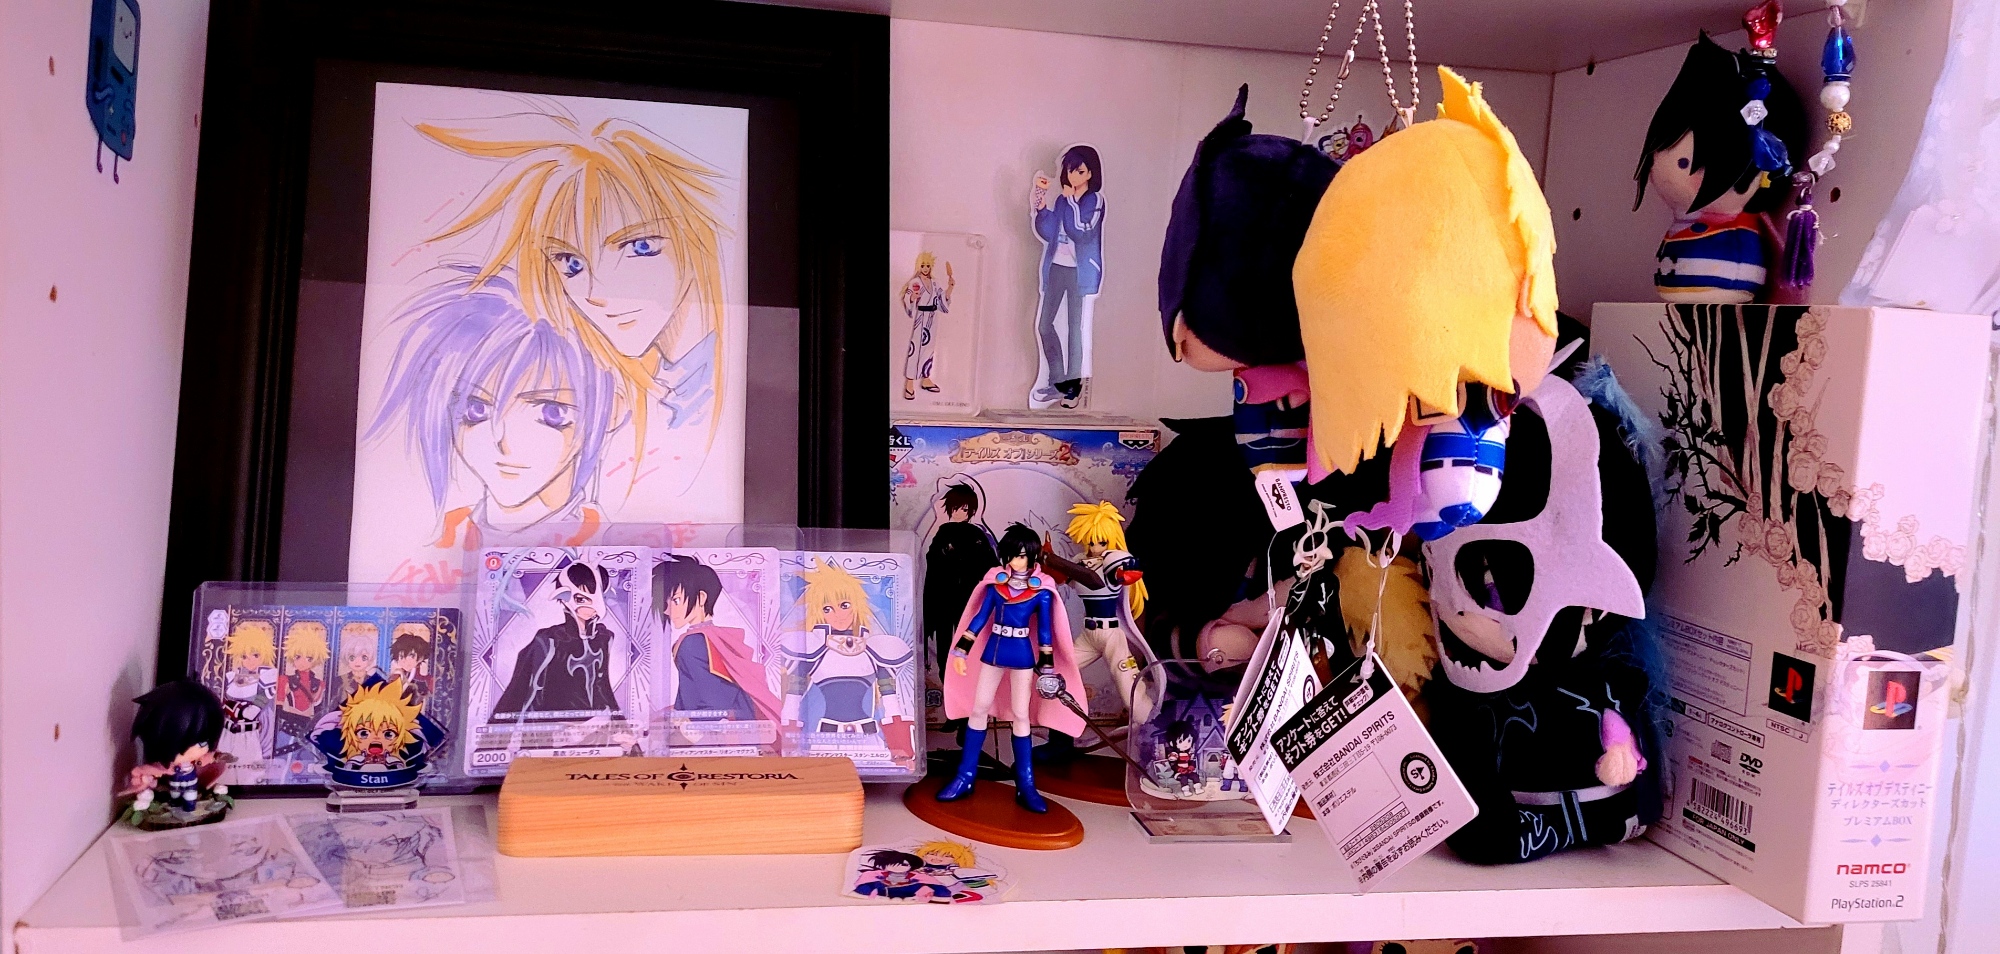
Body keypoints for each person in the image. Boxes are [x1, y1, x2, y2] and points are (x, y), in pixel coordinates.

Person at [415, 105, 732, 450]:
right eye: (572, 263)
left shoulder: (719, 385)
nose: (597, 293)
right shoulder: (609, 386)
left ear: (693, 236)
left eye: (640, 247)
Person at [365, 269, 618, 550]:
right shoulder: (446, 537)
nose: (503, 442)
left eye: (551, 413)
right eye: (476, 410)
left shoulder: (610, 539)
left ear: (609, 413)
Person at [937, 524, 1086, 812]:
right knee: (979, 708)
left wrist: (1047, 667)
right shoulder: (996, 586)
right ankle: (965, 776)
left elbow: (1045, 633)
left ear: (1031, 557)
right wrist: (960, 651)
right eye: (1012, 555)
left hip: (1021, 655)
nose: (1016, 561)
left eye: (1021, 555)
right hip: (994, 650)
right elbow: (979, 619)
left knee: (1021, 714)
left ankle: (1026, 784)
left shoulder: (1041, 591)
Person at [1039, 501, 1149, 760]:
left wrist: (1055, 560)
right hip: (1089, 635)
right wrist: (1045, 561)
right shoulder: (1081, 562)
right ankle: (1061, 739)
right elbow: (1063, 577)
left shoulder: (1113, 560)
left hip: (1111, 635)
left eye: (1101, 542)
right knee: (1054, 676)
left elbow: (1096, 580)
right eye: (1090, 542)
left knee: (1130, 690)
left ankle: (1153, 732)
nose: (1095, 548)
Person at [781, 560, 917, 762]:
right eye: (827, 609)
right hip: (826, 738)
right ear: (818, 611)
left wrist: (901, 750)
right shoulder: (812, 648)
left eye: (844, 605)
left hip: (868, 738)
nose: (838, 615)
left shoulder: (876, 649)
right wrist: (787, 745)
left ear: (856, 605)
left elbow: (891, 701)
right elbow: (792, 699)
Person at [656, 554, 780, 722]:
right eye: (666, 602)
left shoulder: (693, 643)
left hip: (717, 727)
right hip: (731, 722)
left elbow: (715, 703)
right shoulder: (716, 637)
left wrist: (686, 724)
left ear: (701, 598)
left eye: (676, 600)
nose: (667, 610)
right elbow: (691, 692)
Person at [492, 563, 622, 719]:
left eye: (600, 597)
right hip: (552, 726)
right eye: (582, 599)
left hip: (593, 725)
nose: (592, 607)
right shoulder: (549, 640)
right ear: (564, 597)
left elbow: (603, 686)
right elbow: (523, 691)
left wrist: (620, 723)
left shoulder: (603, 638)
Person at [1030, 145, 1105, 408]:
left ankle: (1071, 388)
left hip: (1079, 273)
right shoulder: (1063, 200)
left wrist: (1071, 202)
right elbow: (1050, 231)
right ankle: (1056, 381)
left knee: (1075, 329)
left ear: (1090, 173)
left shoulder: (1095, 201)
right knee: (1044, 325)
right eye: (1070, 171)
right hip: (1056, 267)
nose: (1073, 176)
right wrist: (1041, 208)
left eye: (1080, 171)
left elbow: (1082, 232)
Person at [922, 482, 998, 679]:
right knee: (945, 640)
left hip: (969, 597)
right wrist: (947, 555)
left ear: (971, 511)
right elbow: (933, 562)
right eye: (955, 507)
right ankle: (945, 677)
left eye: (964, 509)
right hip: (944, 598)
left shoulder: (977, 534)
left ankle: (968, 680)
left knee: (969, 637)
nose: (958, 512)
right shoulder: (943, 532)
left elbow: (990, 564)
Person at [900, 252, 954, 399]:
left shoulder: (935, 283)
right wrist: (912, 297)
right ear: (919, 266)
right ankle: (909, 383)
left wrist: (950, 288)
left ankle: (926, 378)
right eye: (923, 265)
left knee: (929, 349)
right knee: (915, 349)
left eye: (928, 266)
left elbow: (941, 299)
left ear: (931, 267)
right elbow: (908, 296)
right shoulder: (915, 282)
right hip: (921, 317)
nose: (925, 268)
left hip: (932, 317)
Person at [386, 623, 435, 710]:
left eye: (411, 656)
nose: (405, 661)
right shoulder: (396, 676)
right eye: (401, 657)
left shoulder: (425, 679)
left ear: (421, 658)